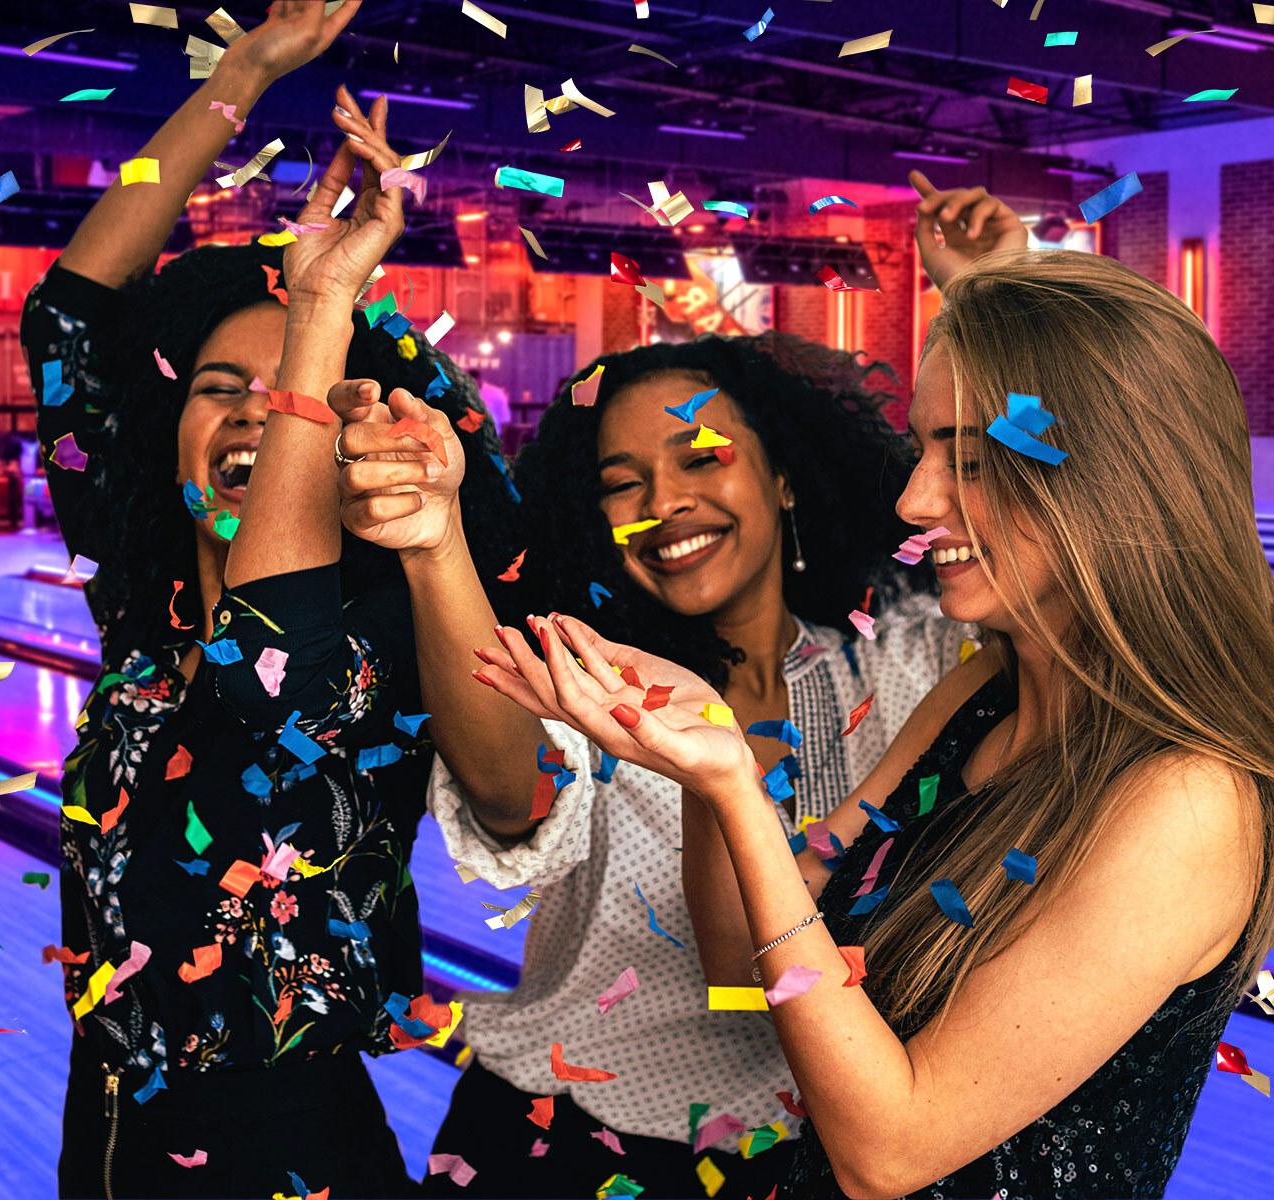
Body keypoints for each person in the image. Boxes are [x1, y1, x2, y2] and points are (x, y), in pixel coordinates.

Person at [477, 175, 1274, 1198]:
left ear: (1108, 482)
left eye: (968, 461)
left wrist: (737, 785)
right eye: (922, 451)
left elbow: (890, 1150)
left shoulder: (1186, 803)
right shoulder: (980, 697)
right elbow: (744, 974)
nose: (915, 499)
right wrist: (705, 770)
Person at [18, 6, 516, 1194]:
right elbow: (70, 314)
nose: (252, 408)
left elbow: (504, 788)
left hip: (290, 1141)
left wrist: (324, 314)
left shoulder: (385, 634)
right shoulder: (146, 614)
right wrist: (244, 73)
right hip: (107, 1123)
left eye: (290, 384)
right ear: (166, 436)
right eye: (214, 387)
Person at [330, 334, 972, 1196]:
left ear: (783, 478)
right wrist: (432, 544)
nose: (663, 502)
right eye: (621, 484)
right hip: (566, 1152)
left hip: (812, 1163)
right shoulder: (595, 688)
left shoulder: (901, 661)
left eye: (700, 458)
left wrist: (991, 291)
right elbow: (507, 784)